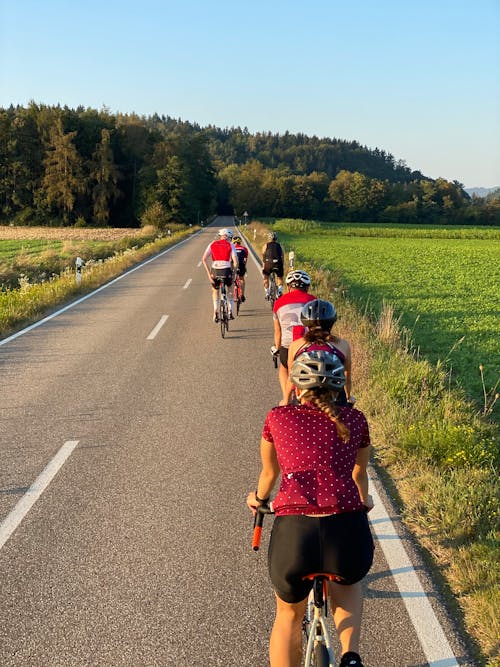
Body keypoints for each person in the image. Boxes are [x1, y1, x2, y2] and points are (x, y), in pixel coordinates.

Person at [247, 350, 374, 667]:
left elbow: (268, 474)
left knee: (288, 615)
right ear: (339, 388)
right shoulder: (356, 420)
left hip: (295, 535)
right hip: (346, 529)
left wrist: (259, 500)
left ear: (296, 387)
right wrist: (365, 500)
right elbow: (360, 474)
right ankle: (351, 657)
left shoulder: (277, 418)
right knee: (348, 587)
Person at [282, 299, 353, 406]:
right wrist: (348, 397)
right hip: (335, 396)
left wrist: (285, 401)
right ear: (331, 323)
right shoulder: (342, 345)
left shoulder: (296, 345)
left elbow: (291, 377)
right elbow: (347, 375)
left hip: (305, 396)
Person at [273, 270, 316, 401]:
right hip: (307, 347)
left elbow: (278, 331)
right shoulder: (314, 300)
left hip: (288, 346)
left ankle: (286, 398)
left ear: (288, 287)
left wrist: (277, 348)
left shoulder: (278, 303)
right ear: (307, 287)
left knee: (283, 367)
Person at [202, 228, 238, 322]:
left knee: (215, 291)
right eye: (230, 237)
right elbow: (235, 262)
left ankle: (215, 311)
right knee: (230, 288)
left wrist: (209, 274)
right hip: (226, 271)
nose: (230, 239)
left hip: (215, 271)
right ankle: (230, 311)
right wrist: (233, 273)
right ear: (226, 236)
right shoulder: (230, 245)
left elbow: (204, 259)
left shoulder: (212, 244)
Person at [262, 232, 284, 299]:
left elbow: (263, 255)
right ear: (276, 239)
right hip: (278, 264)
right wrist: (282, 264)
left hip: (268, 264)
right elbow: (282, 256)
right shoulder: (279, 245)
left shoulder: (266, 245)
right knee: (280, 277)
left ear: (268, 238)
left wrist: (263, 265)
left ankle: (267, 293)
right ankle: (280, 291)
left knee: (266, 278)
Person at [232, 235, 248, 302]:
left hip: (233, 265)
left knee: (231, 279)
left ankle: (233, 293)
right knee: (242, 279)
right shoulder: (244, 249)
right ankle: (242, 295)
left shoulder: (231, 248)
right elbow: (245, 259)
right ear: (240, 242)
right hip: (241, 265)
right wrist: (244, 267)